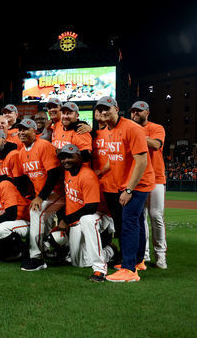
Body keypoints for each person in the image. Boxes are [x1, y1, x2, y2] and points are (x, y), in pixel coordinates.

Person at [94, 97, 155, 283]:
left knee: (128, 222)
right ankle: (138, 261)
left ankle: (129, 269)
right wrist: (101, 171)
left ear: (117, 109)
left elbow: (142, 161)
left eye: (107, 109)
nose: (104, 113)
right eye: (101, 109)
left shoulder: (132, 128)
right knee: (133, 221)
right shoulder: (109, 130)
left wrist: (129, 189)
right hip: (124, 183)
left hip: (138, 183)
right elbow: (114, 158)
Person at [56, 144, 115, 281]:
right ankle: (108, 249)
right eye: (63, 158)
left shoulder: (87, 175)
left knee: (87, 220)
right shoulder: (67, 172)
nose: (66, 160)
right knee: (79, 263)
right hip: (76, 219)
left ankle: (100, 268)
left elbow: (91, 208)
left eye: (70, 157)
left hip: (98, 215)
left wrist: (66, 220)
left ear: (79, 157)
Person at [12, 118, 64, 272]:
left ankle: (37, 258)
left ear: (34, 131)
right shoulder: (22, 152)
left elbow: (53, 174)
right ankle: (50, 249)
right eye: (19, 129)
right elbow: (23, 179)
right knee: (43, 223)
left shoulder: (44, 145)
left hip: (58, 193)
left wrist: (40, 197)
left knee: (36, 211)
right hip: (44, 195)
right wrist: (31, 195)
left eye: (25, 129)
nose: (21, 132)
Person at [130, 101, 167, 269]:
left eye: (139, 111)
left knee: (156, 216)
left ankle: (160, 255)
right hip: (138, 179)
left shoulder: (156, 127)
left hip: (157, 178)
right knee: (140, 217)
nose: (135, 114)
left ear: (147, 112)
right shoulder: (129, 127)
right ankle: (142, 256)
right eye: (133, 111)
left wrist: (139, 137)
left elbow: (156, 144)